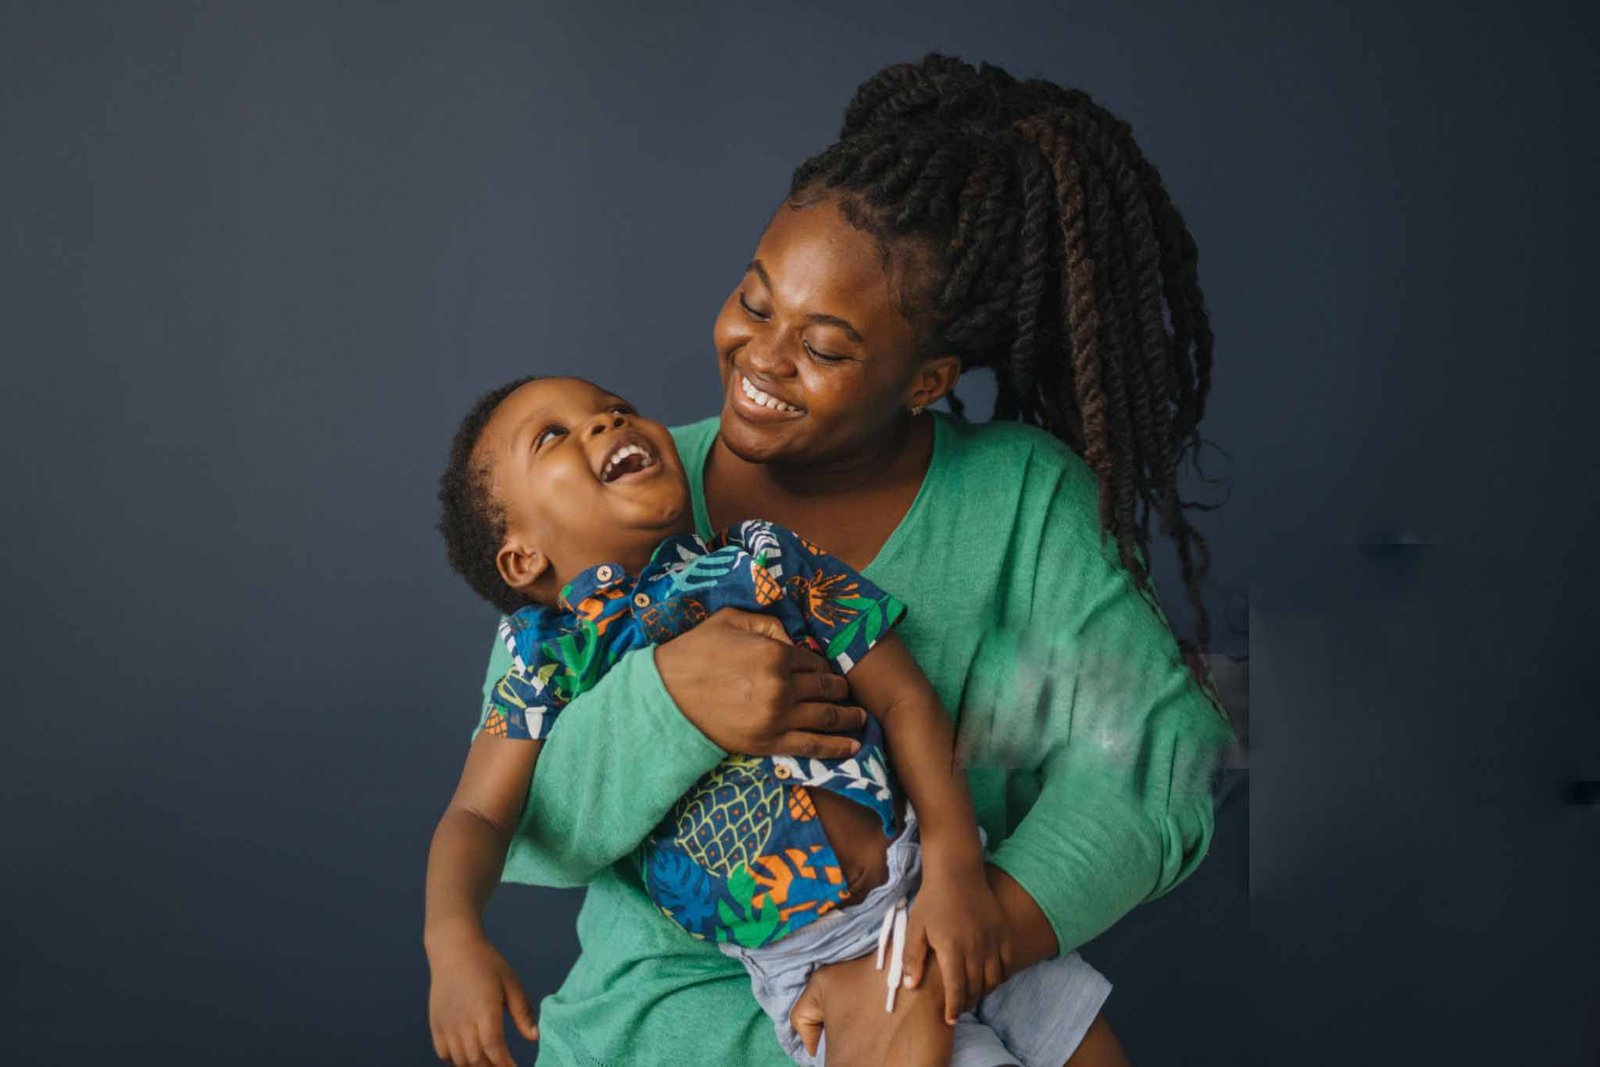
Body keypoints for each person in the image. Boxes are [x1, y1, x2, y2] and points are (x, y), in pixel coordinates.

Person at [459, 55, 1234, 1066]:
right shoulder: (619, 511)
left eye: (824, 348)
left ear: (928, 378)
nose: (759, 359)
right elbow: (523, 821)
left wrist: (922, 960)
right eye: (753, 298)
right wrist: (670, 699)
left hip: (942, 976)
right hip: (656, 1034)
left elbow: (1157, 750)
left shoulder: (1014, 503)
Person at [425, 375, 1115, 1067]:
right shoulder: (546, 663)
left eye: (616, 408)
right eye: (553, 436)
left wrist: (957, 866)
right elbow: (479, 816)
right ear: (522, 556)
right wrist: (453, 938)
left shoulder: (765, 558)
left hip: (933, 878)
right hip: (816, 965)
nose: (606, 422)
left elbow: (906, 699)